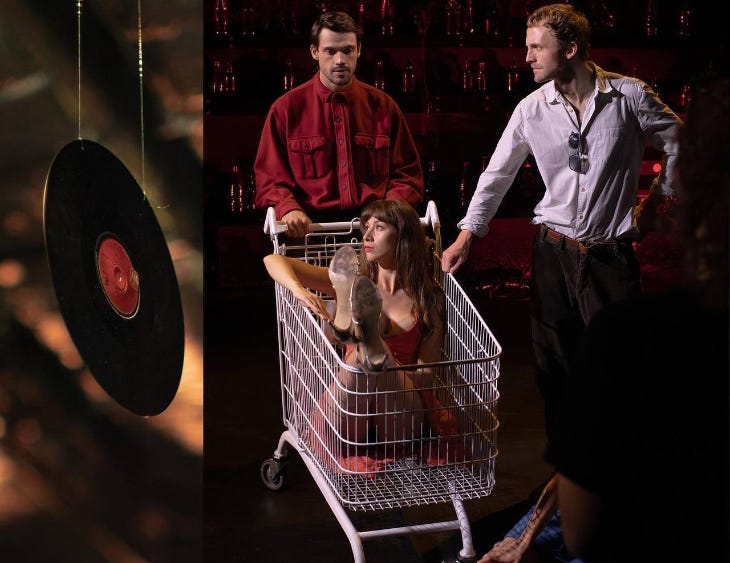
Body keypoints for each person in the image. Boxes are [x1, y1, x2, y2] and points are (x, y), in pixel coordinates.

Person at [438, 4, 683, 562]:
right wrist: (466, 237)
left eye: (535, 47)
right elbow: (496, 175)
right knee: (556, 376)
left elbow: (680, 143)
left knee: (620, 381)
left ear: (569, 49)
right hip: (551, 252)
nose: (524, 57)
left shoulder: (628, 97)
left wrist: (658, 200)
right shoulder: (531, 109)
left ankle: (619, 494)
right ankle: (568, 491)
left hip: (608, 258)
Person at [546, 77, 729, 562]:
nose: (526, 57)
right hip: (559, 246)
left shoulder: (636, 339)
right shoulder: (535, 105)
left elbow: (584, 535)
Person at [263, 199, 453, 470]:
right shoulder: (352, 280)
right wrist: (300, 291)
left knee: (371, 355)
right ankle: (368, 344)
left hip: (397, 411)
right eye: (366, 227)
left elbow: (426, 378)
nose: (366, 235)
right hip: (353, 408)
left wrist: (389, 373)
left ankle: (369, 342)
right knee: (362, 357)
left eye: (379, 227)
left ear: (403, 236)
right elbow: (273, 260)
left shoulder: (428, 300)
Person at [254, 11, 424, 238]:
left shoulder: (384, 107)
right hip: (309, 232)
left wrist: (388, 212)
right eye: (330, 51)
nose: (340, 60)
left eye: (347, 50)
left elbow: (408, 174)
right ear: (314, 52)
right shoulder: (285, 110)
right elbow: (270, 179)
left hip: (374, 229)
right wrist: (289, 207)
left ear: (359, 50)